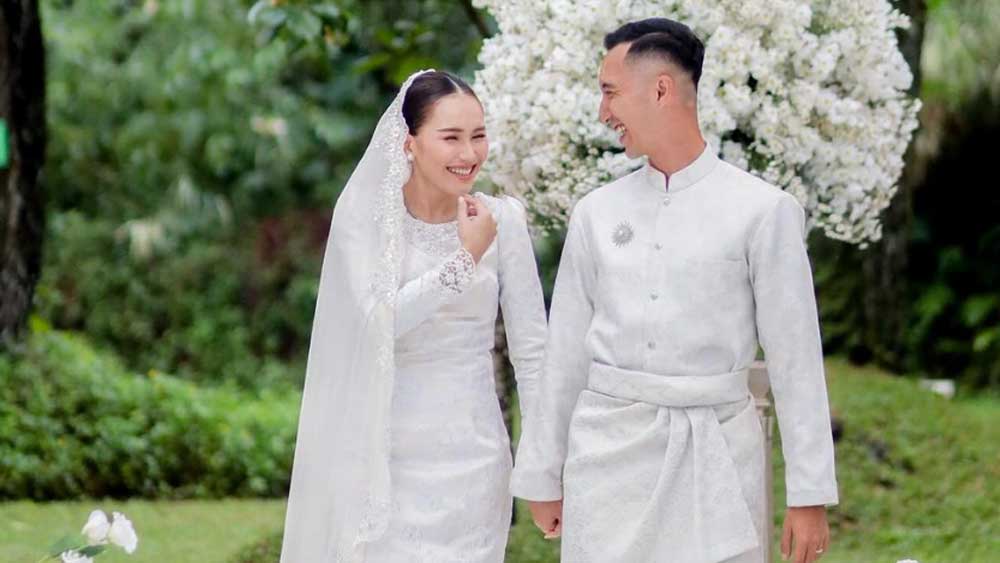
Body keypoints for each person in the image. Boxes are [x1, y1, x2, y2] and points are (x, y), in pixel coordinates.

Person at [511, 18, 839, 563]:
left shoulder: (763, 211)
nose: (603, 112)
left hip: (715, 454)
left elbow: (796, 360)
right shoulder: (596, 213)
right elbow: (565, 351)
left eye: (610, 92)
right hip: (605, 456)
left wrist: (809, 497)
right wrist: (544, 473)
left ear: (660, 89)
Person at [280, 70, 547, 563]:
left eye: (478, 136)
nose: (469, 153)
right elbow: (376, 327)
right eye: (451, 137)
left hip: (475, 457)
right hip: (384, 456)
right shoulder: (368, 224)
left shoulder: (502, 220)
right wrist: (463, 261)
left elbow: (532, 354)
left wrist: (542, 465)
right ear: (410, 143)